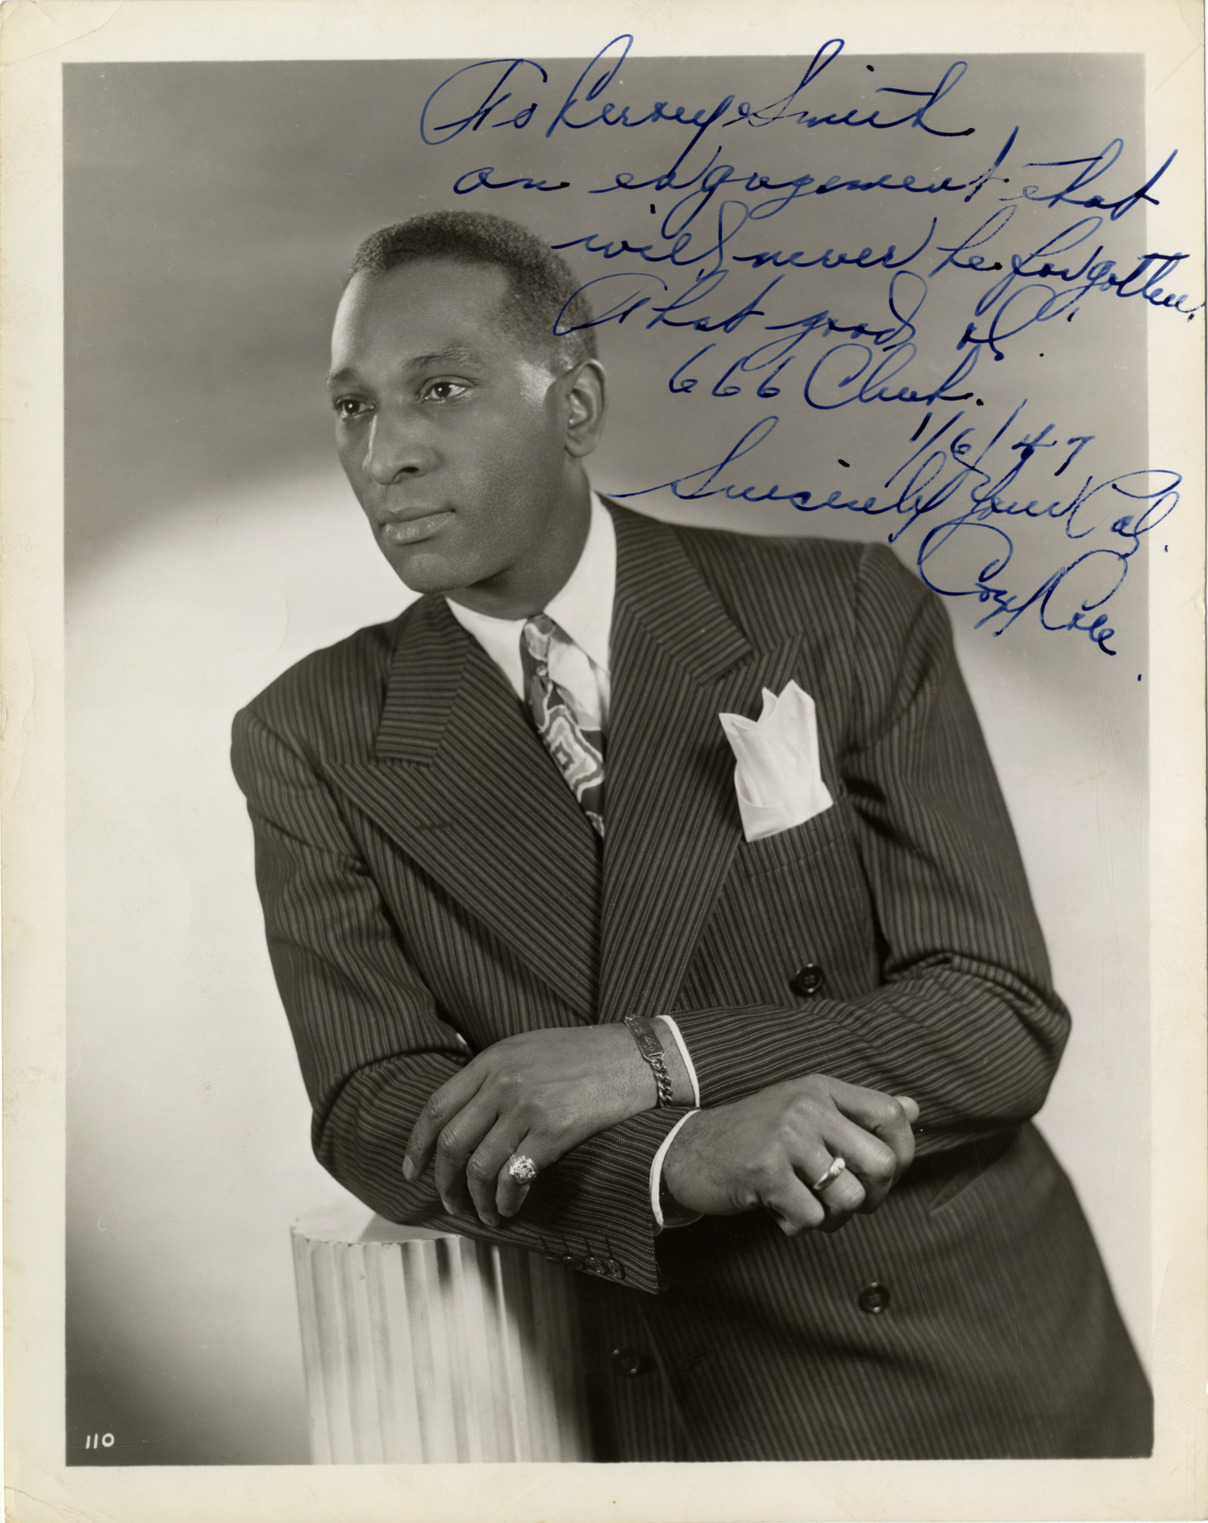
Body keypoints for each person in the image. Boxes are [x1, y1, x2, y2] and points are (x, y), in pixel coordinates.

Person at [231, 209, 1151, 1461]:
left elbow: (996, 1018)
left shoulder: (842, 609)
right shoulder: (309, 731)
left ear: (573, 405)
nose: (384, 454)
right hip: (667, 1387)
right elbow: (371, 1106)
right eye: (353, 408)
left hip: (975, 1366)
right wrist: (674, 1154)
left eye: (439, 389)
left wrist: (654, 1060)